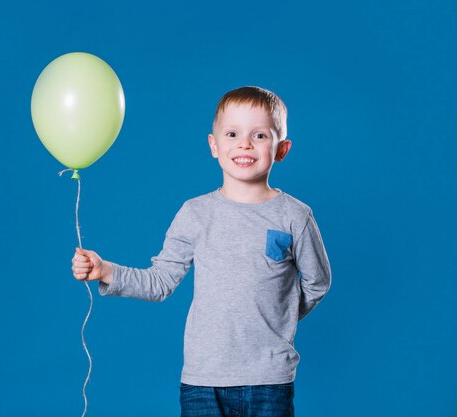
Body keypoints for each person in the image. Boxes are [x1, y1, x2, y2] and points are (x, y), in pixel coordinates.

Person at [71, 86, 331, 417]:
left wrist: (277, 316)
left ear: (281, 149)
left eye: (261, 135)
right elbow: (160, 281)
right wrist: (105, 270)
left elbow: (317, 282)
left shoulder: (295, 216)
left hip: (269, 379)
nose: (245, 144)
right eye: (233, 133)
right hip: (203, 382)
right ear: (214, 145)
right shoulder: (195, 213)